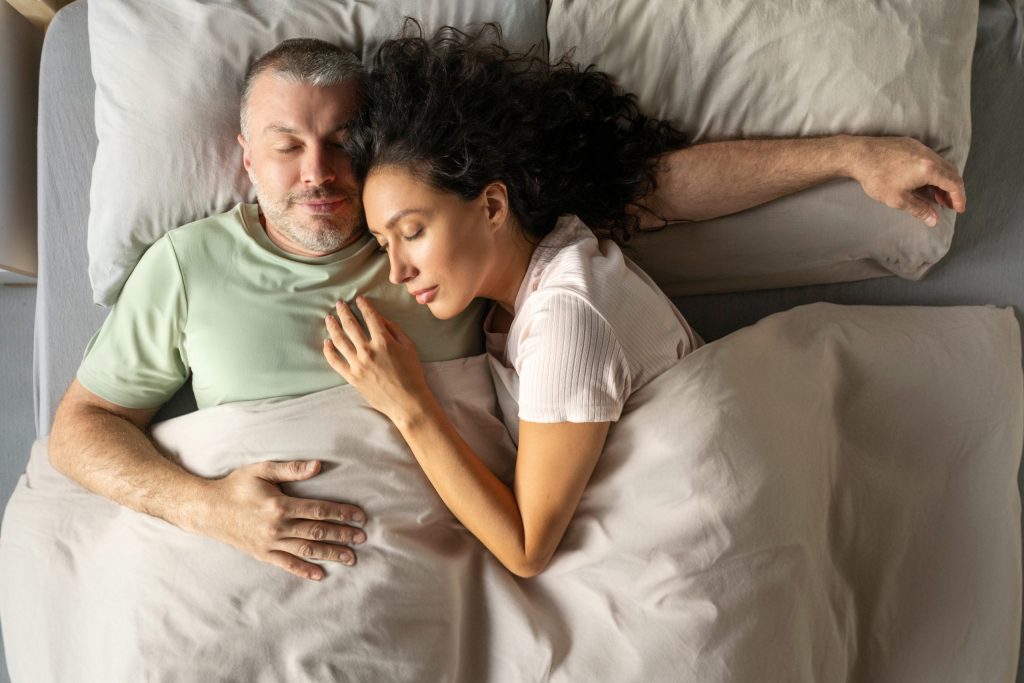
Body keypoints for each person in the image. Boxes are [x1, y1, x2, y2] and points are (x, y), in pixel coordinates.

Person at [48, 35, 965, 582]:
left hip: (490, 555)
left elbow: (655, 190)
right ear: (245, 156)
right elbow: (79, 429)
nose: (317, 173)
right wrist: (207, 507)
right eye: (286, 146)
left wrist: (852, 154)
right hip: (251, 554)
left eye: (339, 146)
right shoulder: (187, 264)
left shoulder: (450, 233)